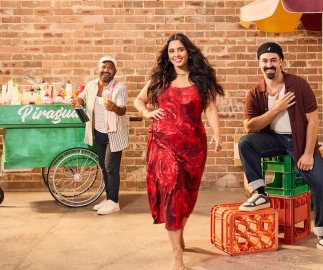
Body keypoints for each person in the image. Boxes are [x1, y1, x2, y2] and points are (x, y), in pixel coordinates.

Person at [238, 42, 323, 257]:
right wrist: (277, 109)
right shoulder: (256, 93)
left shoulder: (298, 85)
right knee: (245, 142)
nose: (270, 64)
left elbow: (313, 121)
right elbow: (250, 126)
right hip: (274, 140)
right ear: (259, 64)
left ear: (281, 62)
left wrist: (307, 153)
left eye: (274, 60)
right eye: (265, 61)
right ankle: (260, 193)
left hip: (300, 142)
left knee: (322, 183)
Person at [134, 33, 224, 270]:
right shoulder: (160, 79)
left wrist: (216, 134)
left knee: (188, 195)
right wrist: (147, 113)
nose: (176, 55)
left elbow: (211, 110)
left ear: (188, 52)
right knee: (173, 189)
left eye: (180, 50)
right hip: (163, 144)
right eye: (172, 51)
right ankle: (177, 256)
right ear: (167, 55)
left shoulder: (200, 80)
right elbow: (139, 101)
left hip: (193, 146)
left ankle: (179, 232)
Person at [71, 56, 129, 215]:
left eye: (110, 68)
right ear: (99, 69)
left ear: (114, 71)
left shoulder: (119, 88)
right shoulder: (91, 85)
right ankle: (108, 198)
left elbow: (123, 110)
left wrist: (115, 107)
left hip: (113, 134)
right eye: (103, 67)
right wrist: (78, 102)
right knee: (103, 166)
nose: (106, 70)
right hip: (98, 132)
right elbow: (81, 98)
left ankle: (114, 202)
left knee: (111, 167)